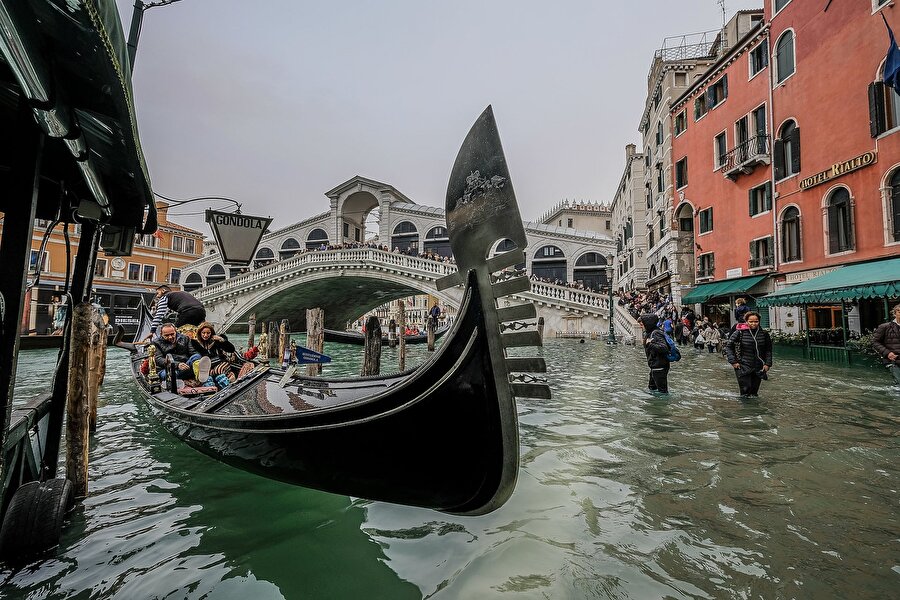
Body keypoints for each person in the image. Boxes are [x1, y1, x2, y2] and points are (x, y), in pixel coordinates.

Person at [724, 311, 773, 398]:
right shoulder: (739, 333)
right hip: (742, 366)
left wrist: (767, 364)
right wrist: (733, 362)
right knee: (745, 392)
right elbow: (728, 347)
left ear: (759, 321)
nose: (753, 323)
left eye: (756, 321)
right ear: (746, 321)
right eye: (751, 321)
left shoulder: (764, 334)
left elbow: (768, 350)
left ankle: (756, 410)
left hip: (758, 367)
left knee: (754, 392)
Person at [639, 314, 670, 394]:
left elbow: (664, 348)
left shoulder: (656, 333)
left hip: (659, 367)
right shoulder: (650, 333)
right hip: (655, 367)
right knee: (652, 389)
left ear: (648, 324)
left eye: (642, 324)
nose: (641, 327)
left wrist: (649, 344)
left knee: (662, 392)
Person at [872, 303, 900, 385]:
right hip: (893, 360)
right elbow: (875, 342)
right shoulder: (885, 327)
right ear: (895, 314)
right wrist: (887, 353)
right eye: (899, 312)